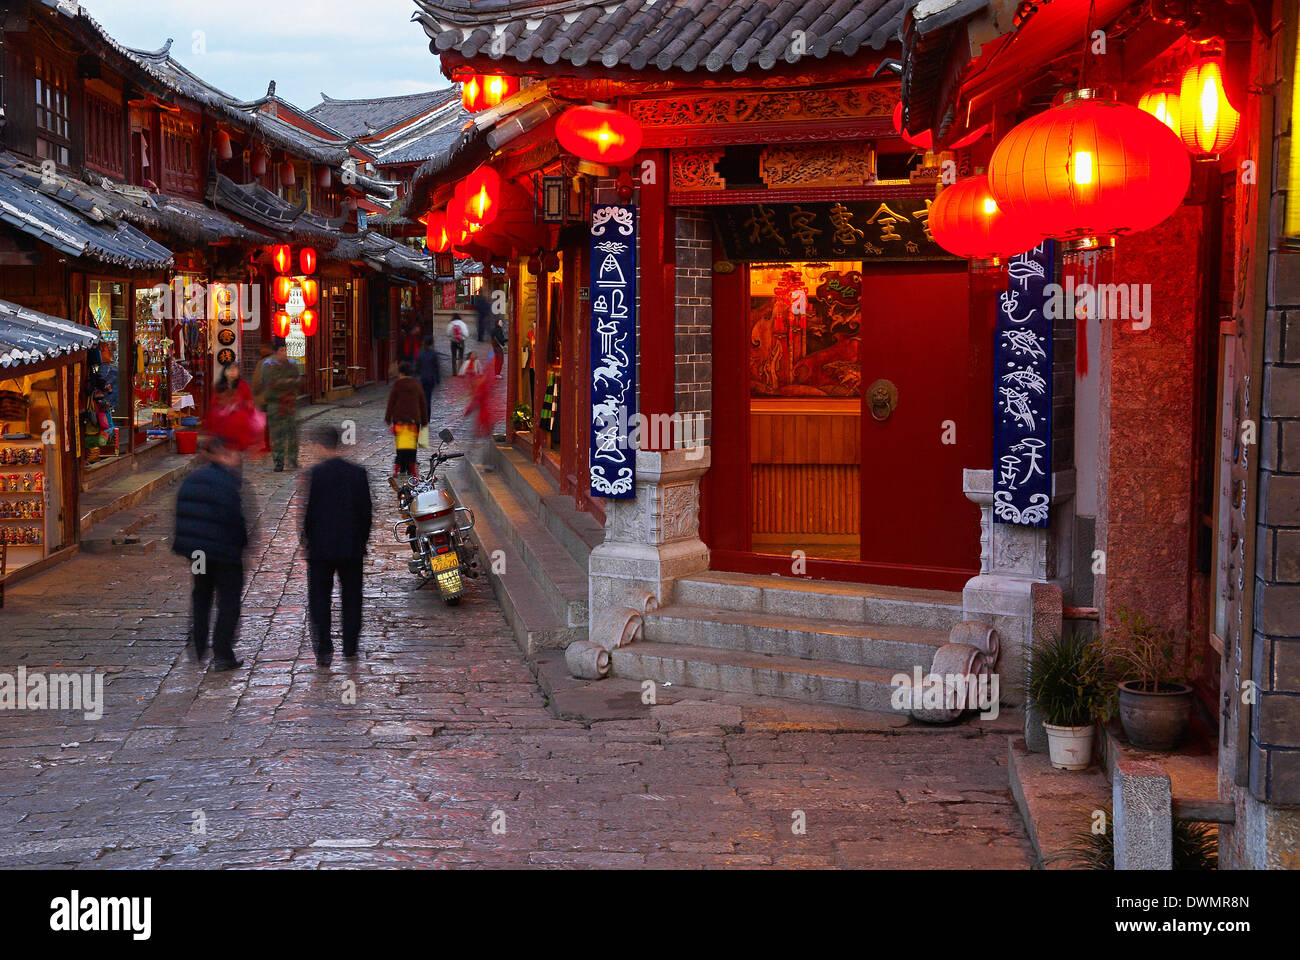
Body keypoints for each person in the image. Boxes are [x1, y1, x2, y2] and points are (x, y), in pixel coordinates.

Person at [172, 436, 248, 671]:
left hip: (197, 554)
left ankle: (198, 645)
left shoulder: (191, 480)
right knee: (228, 601)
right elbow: (234, 519)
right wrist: (241, 547)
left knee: (201, 596)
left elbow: (181, 515)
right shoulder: (228, 482)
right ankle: (223, 653)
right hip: (224, 555)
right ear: (223, 454)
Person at [301, 424, 372, 666]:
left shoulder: (315, 475)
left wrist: (308, 542)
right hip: (351, 546)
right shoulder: (358, 473)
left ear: (320, 446)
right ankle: (350, 646)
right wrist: (361, 540)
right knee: (352, 597)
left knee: (320, 598)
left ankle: (323, 649)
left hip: (321, 549)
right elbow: (366, 513)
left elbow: (309, 514)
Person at [259, 337, 302, 472]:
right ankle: (278, 461)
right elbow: (271, 383)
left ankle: (293, 459)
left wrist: (286, 382)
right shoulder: (268, 365)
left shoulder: (291, 364)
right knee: (277, 434)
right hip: (275, 404)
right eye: (281, 350)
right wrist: (287, 382)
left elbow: (298, 381)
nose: (284, 353)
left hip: (290, 403)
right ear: (275, 352)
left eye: (285, 350)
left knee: (292, 433)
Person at [384, 360, 428, 477]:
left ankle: (400, 467)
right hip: (414, 420)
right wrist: (424, 420)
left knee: (400, 444)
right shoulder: (416, 385)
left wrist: (388, 417)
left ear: (401, 373)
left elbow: (391, 402)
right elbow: (422, 403)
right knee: (412, 445)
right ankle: (412, 468)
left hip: (399, 420)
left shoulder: (397, 385)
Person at [206, 362, 262, 452]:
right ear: (224, 371)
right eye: (229, 369)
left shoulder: (243, 385)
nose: (232, 371)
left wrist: (238, 406)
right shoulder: (219, 386)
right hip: (221, 420)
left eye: (235, 369)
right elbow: (214, 403)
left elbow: (249, 403)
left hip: (237, 421)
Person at [416, 334, 440, 415]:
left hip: (422, 378)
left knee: (421, 398)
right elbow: (436, 367)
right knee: (428, 398)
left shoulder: (420, 353)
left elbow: (417, 366)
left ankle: (421, 415)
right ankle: (427, 417)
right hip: (430, 378)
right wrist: (437, 379)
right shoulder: (433, 354)